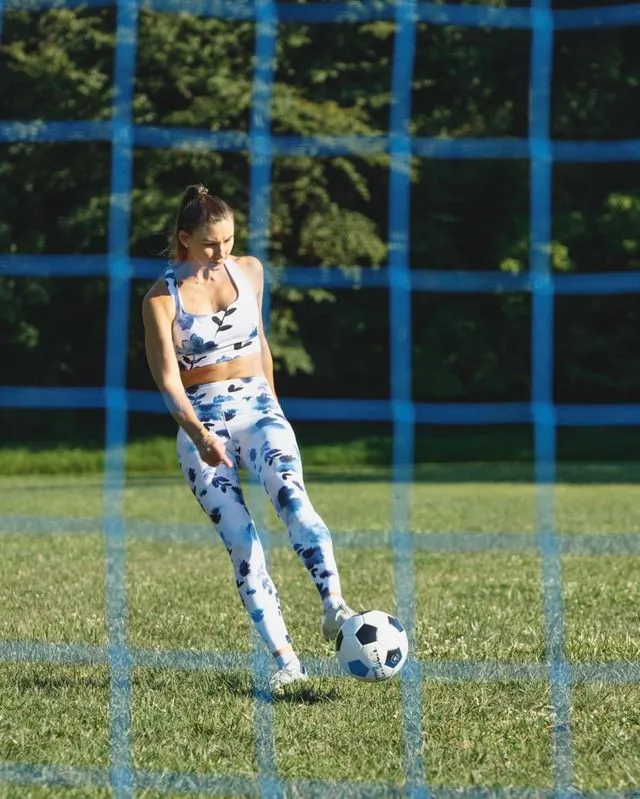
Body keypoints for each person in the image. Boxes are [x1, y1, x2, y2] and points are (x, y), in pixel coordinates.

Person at [142, 183, 354, 694]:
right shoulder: (159, 299)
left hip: (259, 410)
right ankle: (286, 660)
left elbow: (262, 346)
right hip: (202, 425)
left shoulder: (250, 271)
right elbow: (167, 380)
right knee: (243, 542)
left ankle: (335, 607)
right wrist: (198, 434)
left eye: (230, 240)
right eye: (211, 244)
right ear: (184, 239)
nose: (222, 253)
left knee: (293, 500)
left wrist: (275, 409)